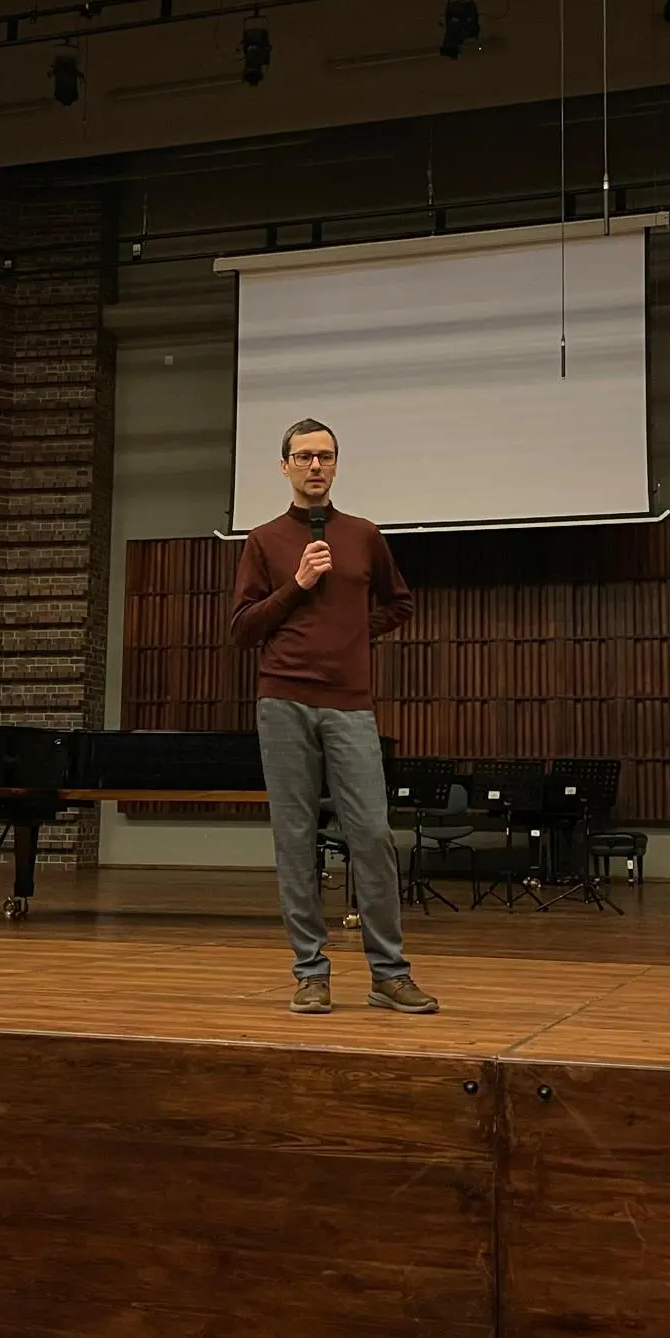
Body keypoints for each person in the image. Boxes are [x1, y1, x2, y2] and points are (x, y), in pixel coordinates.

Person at [230, 418, 438, 1015]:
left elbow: (400, 603)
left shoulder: (364, 535)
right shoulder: (264, 540)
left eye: (324, 456)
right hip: (283, 701)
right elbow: (242, 628)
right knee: (295, 839)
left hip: (349, 702)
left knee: (371, 834)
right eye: (303, 456)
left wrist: (352, 633)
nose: (315, 466)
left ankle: (388, 974)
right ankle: (310, 973)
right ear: (285, 467)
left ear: (337, 464)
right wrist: (297, 585)